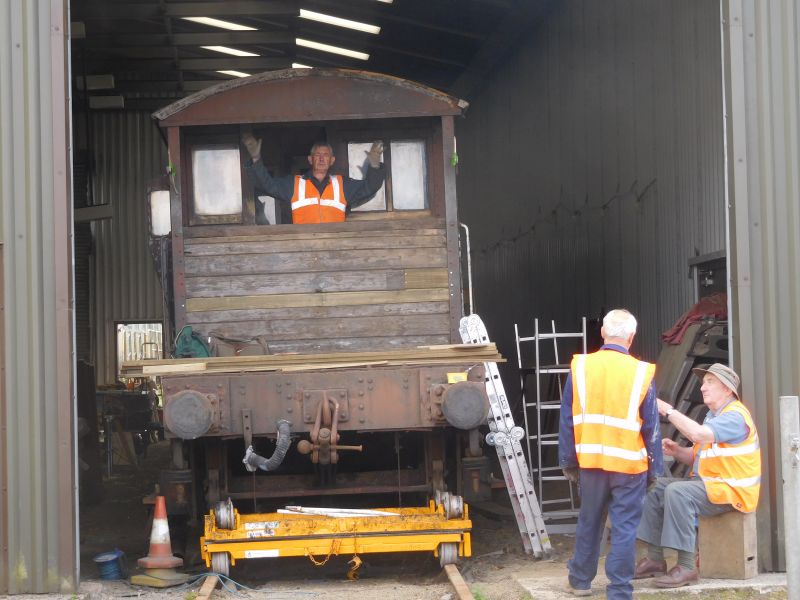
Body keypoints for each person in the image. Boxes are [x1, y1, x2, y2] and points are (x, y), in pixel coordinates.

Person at [558, 309, 662, 599]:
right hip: (630, 465)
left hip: (591, 462)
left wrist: (568, 459)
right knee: (625, 528)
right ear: (631, 337)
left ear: (602, 333)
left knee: (589, 520)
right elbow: (651, 426)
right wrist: (655, 470)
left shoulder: (580, 367)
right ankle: (619, 591)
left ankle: (580, 581)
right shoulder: (641, 372)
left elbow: (566, 417)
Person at [634, 363, 760, 588]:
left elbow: (697, 434)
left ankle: (686, 566)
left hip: (732, 491)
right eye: (703, 383)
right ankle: (654, 559)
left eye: (710, 382)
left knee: (678, 492)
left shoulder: (735, 416)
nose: (703, 388)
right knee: (652, 485)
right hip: (711, 487)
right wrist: (677, 451)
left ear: (728, 390)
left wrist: (668, 411)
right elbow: (698, 458)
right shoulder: (713, 416)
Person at [241, 132, 386, 224]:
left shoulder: (342, 185)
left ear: (332, 160)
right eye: (318, 155)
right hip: (304, 249)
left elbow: (369, 188)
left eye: (326, 155)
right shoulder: (294, 184)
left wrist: (374, 166)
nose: (322, 159)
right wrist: (256, 159)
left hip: (336, 249)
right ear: (310, 160)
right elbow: (267, 185)